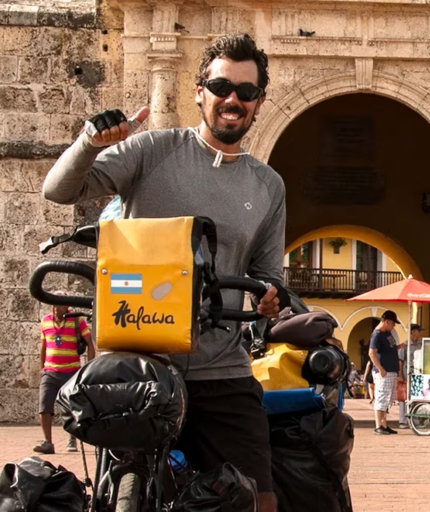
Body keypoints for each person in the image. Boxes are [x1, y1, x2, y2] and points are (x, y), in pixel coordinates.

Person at [42, 34, 288, 511]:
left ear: (260, 101)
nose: (232, 99)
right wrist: (89, 143)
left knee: (261, 499)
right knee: (120, 492)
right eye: (221, 86)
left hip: (221, 367)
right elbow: (59, 190)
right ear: (199, 91)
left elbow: (268, 272)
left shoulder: (268, 185)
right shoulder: (153, 150)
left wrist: (270, 295)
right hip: (138, 361)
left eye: (246, 91)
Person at [34, 293, 95, 454]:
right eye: (52, 305)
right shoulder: (45, 321)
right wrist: (42, 369)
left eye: (58, 305)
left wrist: (87, 368)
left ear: (66, 306)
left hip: (72, 371)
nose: (55, 309)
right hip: (50, 371)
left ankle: (72, 439)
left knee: (71, 407)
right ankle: (48, 442)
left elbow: (90, 343)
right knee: (44, 407)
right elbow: (44, 346)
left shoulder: (77, 321)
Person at [368, 310, 402, 435]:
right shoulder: (377, 334)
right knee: (381, 397)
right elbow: (372, 353)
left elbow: (387, 349)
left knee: (388, 398)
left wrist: (398, 347)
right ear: (386, 322)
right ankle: (378, 425)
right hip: (384, 371)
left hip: (391, 370)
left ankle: (384, 424)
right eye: (393, 324)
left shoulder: (387, 333)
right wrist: (381, 369)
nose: (393, 326)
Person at [397, 324, 423, 428]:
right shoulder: (405, 345)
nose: (417, 337)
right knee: (404, 396)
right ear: (411, 333)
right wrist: (400, 375)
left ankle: (415, 419)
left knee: (416, 395)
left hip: (418, 372)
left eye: (419, 334)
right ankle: (402, 420)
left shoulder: (421, 344)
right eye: (415, 334)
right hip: (406, 372)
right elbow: (400, 361)